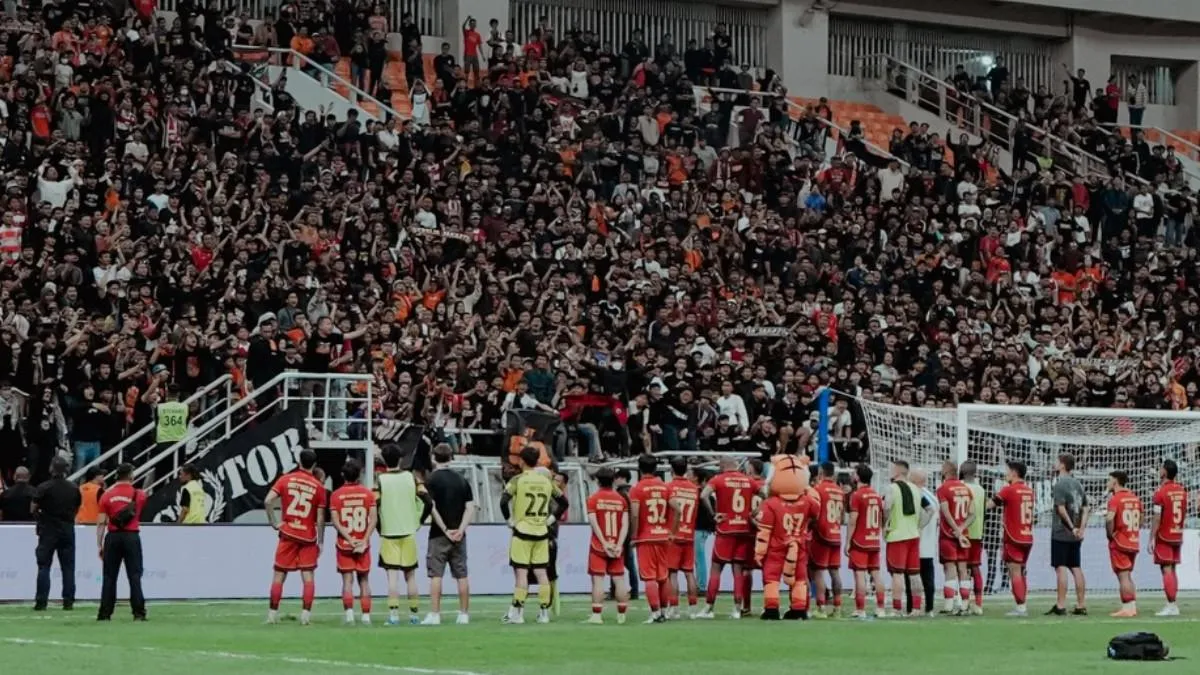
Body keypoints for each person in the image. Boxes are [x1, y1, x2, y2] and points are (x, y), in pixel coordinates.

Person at [500, 446, 567, 624]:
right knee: (541, 573)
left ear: (522, 460)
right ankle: (544, 614)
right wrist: (550, 519)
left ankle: (518, 614)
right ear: (537, 461)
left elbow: (503, 501)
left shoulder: (517, 480)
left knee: (521, 574)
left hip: (522, 531)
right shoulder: (546, 481)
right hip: (541, 532)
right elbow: (563, 502)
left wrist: (509, 520)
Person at [264, 448, 327, 626]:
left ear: (299, 461)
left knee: (279, 574)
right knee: (308, 576)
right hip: (308, 536)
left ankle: (272, 615)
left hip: (288, 533)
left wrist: (274, 522)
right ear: (314, 464)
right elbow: (320, 518)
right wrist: (321, 541)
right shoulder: (319, 487)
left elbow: (268, 500)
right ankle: (305, 617)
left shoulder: (286, 479)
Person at [755, 455, 818, 620]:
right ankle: (799, 608)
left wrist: (759, 552)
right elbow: (817, 511)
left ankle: (771, 608)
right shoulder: (807, 501)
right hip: (799, 545)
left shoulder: (770, 504)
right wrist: (806, 488)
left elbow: (764, 530)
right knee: (799, 578)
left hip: (776, 547)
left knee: (771, 578)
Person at [375, 442, 432, 625]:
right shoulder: (411, 478)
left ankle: (394, 616)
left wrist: (379, 527)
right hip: (408, 531)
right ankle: (414, 615)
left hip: (389, 533)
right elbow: (428, 502)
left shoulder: (380, 480)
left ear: (384, 460)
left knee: (392, 577)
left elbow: (374, 506)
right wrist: (419, 521)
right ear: (400, 459)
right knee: (411, 576)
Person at [696, 456, 759, 619]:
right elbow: (766, 495)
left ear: (723, 465)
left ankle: (709, 608)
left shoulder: (718, 479)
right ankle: (737, 609)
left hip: (725, 530)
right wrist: (754, 513)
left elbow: (703, 495)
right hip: (744, 530)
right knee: (738, 570)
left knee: (716, 569)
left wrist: (713, 515)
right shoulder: (749, 481)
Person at [423, 443, 475, 626]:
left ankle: (435, 614)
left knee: (436, 575)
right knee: (461, 575)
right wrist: (460, 529)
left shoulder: (431, 480)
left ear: (433, 458)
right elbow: (470, 507)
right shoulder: (461, 479)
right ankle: (464, 614)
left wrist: (445, 529)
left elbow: (431, 507)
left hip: (439, 534)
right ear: (451, 458)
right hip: (459, 535)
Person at [96, 463, 147, 621]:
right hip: (131, 536)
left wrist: (100, 544)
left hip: (113, 536)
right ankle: (138, 612)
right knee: (135, 576)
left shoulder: (106, 495)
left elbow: (101, 522)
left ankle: (105, 613)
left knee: (109, 576)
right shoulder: (139, 494)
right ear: (131, 475)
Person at [330, 460, 377, 625]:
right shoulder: (368, 494)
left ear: (343, 475)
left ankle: (349, 615)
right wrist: (363, 540)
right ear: (359, 475)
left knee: (347, 580)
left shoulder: (336, 495)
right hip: (363, 545)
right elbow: (373, 519)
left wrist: (349, 539)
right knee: (364, 580)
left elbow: (336, 521)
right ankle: (366, 616)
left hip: (344, 544)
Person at [883, 460, 932, 617]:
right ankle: (916, 608)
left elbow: (887, 507)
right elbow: (930, 509)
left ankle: (897, 609)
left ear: (897, 471)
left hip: (897, 536)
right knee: (914, 574)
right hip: (913, 536)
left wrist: (884, 525)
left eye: (892, 468)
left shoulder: (892, 488)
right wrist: (919, 525)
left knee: (897, 574)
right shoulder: (916, 489)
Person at [31, 457, 81, 611]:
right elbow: (77, 507)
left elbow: (33, 508)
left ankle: (41, 601)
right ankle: (68, 601)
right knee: (68, 567)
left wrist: (41, 518)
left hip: (48, 530)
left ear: (51, 468)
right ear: (66, 470)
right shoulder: (73, 488)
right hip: (67, 529)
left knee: (44, 566)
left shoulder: (44, 487)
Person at [988, 461, 1036, 617]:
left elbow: (990, 505)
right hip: (1027, 536)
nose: (1005, 474)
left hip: (1013, 536)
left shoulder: (1008, 490)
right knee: (1021, 571)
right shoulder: (1029, 491)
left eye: (1007, 471)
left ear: (1014, 473)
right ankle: (1022, 604)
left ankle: (1021, 607)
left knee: (1015, 572)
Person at [629, 453, 672, 623]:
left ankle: (654, 613)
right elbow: (677, 508)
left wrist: (634, 535)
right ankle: (664, 611)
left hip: (645, 537)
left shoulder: (637, 488)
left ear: (639, 468)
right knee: (663, 577)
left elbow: (634, 514)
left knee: (650, 577)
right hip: (663, 536)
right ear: (656, 469)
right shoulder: (665, 487)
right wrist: (672, 530)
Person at [585, 466, 630, 624]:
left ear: (598, 481)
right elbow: (625, 525)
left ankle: (597, 615)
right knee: (619, 579)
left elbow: (594, 523)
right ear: (613, 481)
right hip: (617, 546)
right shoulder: (621, 499)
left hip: (599, 546)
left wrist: (604, 543)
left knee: (598, 580)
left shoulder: (593, 499)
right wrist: (619, 544)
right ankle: (621, 615)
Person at [1048, 453, 1089, 616]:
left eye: (1057, 462)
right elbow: (1085, 508)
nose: (1054, 464)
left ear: (1063, 465)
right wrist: (1081, 528)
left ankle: (1060, 605)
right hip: (1076, 533)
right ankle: (1081, 604)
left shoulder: (1060, 484)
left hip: (1061, 531)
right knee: (1076, 567)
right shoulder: (1078, 484)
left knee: (1061, 567)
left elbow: (1061, 508)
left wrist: (1072, 527)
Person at [846, 464, 886, 619]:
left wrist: (848, 541)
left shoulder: (856, 495)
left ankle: (860, 609)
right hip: (874, 539)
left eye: (854, 473)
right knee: (876, 573)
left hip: (860, 540)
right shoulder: (876, 495)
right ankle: (881, 608)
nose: (852, 475)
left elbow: (852, 520)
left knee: (860, 574)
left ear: (858, 477)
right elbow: (882, 518)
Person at [935, 460, 974, 615]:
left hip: (948, 534)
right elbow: (973, 514)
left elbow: (946, 513)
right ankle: (964, 605)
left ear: (946, 471)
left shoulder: (943, 489)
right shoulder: (966, 488)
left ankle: (949, 605)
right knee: (963, 569)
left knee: (950, 568)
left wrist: (956, 530)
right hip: (963, 535)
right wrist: (962, 529)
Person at [1149, 459, 1187, 616]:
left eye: (1160, 468)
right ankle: (1173, 603)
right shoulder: (1182, 490)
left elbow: (1157, 517)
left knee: (1166, 569)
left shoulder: (1160, 492)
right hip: (1177, 533)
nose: (1159, 471)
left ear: (1164, 472)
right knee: (1173, 569)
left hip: (1164, 535)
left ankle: (1171, 605)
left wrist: (1151, 538)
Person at [665, 457, 700, 619]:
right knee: (689, 572)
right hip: (689, 534)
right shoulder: (694, 488)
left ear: (671, 470)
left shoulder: (669, 487)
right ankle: (693, 608)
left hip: (673, 534)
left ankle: (674, 608)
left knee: (672, 573)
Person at [810, 461, 845, 618]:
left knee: (818, 572)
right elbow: (842, 517)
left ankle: (821, 607)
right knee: (834, 572)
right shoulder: (839, 491)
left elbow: (813, 513)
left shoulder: (817, 490)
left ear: (820, 472)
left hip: (821, 534)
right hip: (836, 533)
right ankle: (837, 608)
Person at [1106, 470, 1143, 618]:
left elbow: (1109, 518)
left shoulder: (1115, 499)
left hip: (1120, 541)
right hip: (1133, 541)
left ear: (1115, 481)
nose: (1107, 483)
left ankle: (1127, 607)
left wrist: (1110, 534)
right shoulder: (1135, 498)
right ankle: (1132, 607)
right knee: (1127, 575)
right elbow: (1141, 518)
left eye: (1109, 480)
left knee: (1123, 575)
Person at [960, 461, 987, 615]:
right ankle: (978, 603)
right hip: (977, 533)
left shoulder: (960, 488)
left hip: (962, 533)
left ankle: (962, 601)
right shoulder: (981, 490)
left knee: (961, 568)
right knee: (975, 567)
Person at [910, 469, 937, 617]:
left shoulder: (916, 496)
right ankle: (929, 608)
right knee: (928, 578)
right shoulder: (933, 497)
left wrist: (918, 527)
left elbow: (927, 513)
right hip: (929, 544)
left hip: (916, 542)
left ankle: (913, 607)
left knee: (913, 578)